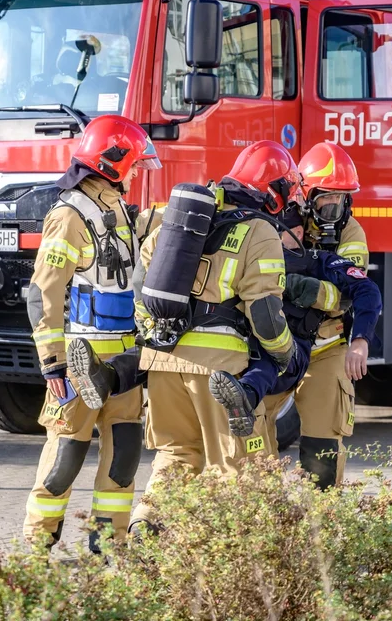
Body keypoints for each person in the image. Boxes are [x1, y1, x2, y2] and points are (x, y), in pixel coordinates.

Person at [127, 140, 300, 534]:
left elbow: (141, 286)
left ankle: (146, 525)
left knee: (176, 455)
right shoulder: (259, 231)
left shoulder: (178, 221)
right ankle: (227, 562)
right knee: (234, 466)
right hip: (220, 371)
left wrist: (152, 336)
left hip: (162, 361)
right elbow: (266, 315)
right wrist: (285, 355)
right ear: (272, 191)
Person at [22, 115, 161, 552]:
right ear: (113, 161)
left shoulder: (115, 206)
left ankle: (108, 547)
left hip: (122, 366)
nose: (137, 173)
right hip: (78, 364)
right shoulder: (69, 215)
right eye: (133, 164)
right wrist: (53, 364)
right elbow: (43, 292)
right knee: (64, 461)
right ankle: (35, 549)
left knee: (122, 459)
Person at [209, 218, 382, 458]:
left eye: (279, 231)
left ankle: (247, 393)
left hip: (302, 347)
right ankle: (246, 397)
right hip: (267, 345)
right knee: (253, 449)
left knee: (321, 450)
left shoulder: (317, 259)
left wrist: (360, 340)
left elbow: (366, 290)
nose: (271, 237)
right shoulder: (259, 252)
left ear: (298, 231)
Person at [262, 142, 370, 488]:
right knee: (252, 431)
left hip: (327, 346)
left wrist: (307, 290)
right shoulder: (281, 220)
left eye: (340, 198)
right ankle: (261, 520)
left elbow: (346, 298)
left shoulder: (351, 233)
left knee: (322, 445)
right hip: (279, 344)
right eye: (326, 197)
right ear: (306, 194)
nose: (333, 206)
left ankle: (322, 527)